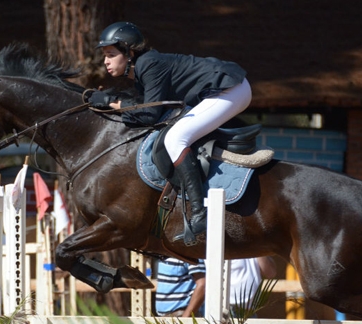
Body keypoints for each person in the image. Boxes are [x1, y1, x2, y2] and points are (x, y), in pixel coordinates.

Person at [90, 21, 252, 243]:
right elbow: (148, 108)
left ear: (129, 52)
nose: (105, 61)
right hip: (224, 89)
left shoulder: (148, 63)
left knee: (176, 138)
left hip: (230, 89)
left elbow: (149, 115)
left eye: (110, 54)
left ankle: (199, 214)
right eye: (104, 55)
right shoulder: (142, 70)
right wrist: (113, 102)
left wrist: (111, 102)